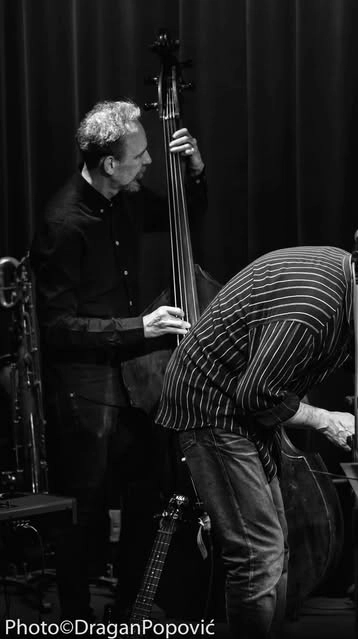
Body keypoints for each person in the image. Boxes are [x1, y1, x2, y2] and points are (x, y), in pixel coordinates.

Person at [154, 247, 358, 639]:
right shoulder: (313, 309)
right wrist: (327, 420)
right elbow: (258, 396)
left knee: (275, 549)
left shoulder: (352, 291)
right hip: (212, 411)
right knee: (258, 555)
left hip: (243, 412)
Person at [30, 99, 206, 622]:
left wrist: (193, 171)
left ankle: (133, 603)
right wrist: (140, 328)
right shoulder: (63, 223)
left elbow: (177, 213)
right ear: (110, 164)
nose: (150, 162)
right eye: (141, 155)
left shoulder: (123, 196)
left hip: (134, 375)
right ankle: (76, 614)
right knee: (82, 504)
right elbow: (54, 326)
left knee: (145, 492)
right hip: (84, 382)